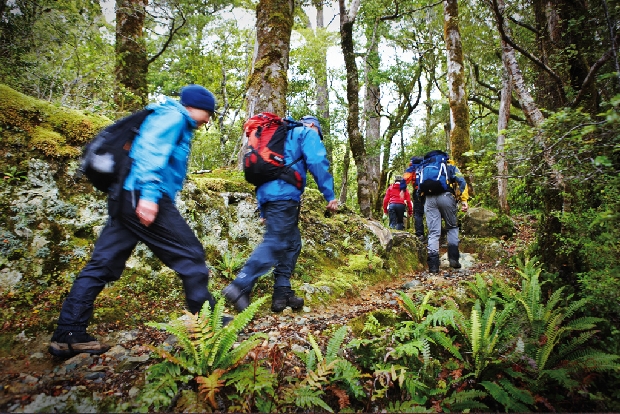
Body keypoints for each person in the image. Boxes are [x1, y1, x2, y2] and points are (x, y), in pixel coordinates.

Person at [49, 84, 219, 358]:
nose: (208, 119)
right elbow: (150, 151)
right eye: (208, 112)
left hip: (124, 197)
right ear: (194, 107)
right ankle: (208, 324)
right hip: (143, 196)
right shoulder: (174, 116)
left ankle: (68, 334)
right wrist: (150, 196)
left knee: (102, 264)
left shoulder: (166, 116)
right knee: (191, 255)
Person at [223, 115, 338, 313]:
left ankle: (281, 293)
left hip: (270, 196)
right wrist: (330, 195)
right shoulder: (305, 132)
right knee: (275, 242)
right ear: (312, 125)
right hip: (284, 196)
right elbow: (317, 161)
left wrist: (263, 206)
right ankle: (240, 285)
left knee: (292, 242)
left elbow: (265, 171)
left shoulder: (278, 137)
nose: (317, 136)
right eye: (318, 132)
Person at [419, 150, 469, 273]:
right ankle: (453, 259)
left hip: (429, 200)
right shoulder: (449, 165)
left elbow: (418, 188)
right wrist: (464, 200)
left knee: (434, 232)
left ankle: (434, 266)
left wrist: (423, 202)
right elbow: (461, 181)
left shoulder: (424, 167)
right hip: (446, 197)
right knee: (451, 227)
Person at [402, 156, 426, 240]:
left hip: (418, 192)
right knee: (432, 212)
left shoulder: (413, 168)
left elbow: (405, 179)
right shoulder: (428, 166)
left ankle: (420, 235)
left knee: (418, 214)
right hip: (430, 192)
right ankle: (436, 235)